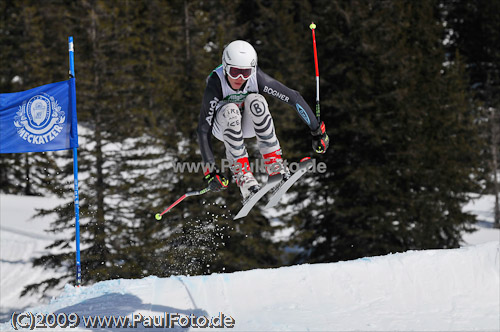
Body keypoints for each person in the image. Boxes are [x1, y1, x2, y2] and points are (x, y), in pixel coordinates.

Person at [197, 40, 329, 201]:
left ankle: (275, 165)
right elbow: (203, 129)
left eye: (245, 73)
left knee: (256, 100)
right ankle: (244, 178)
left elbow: (293, 98)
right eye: (234, 71)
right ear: (225, 67)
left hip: (247, 123)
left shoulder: (256, 78)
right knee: (230, 110)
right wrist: (210, 171)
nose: (239, 78)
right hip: (223, 125)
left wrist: (316, 131)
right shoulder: (215, 82)